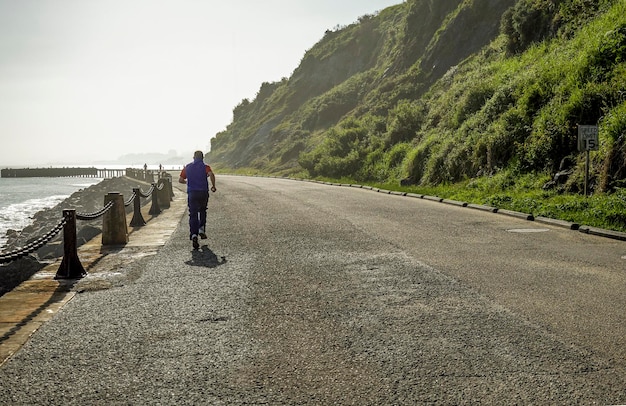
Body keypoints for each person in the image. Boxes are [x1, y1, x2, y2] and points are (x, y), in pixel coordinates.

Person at [179, 151, 216, 249]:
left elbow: (180, 180)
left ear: (193, 157)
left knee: (193, 214)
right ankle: (201, 229)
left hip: (192, 193)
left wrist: (188, 182)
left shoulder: (187, 167)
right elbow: (211, 174)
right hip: (203, 192)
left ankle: (194, 234)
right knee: (203, 210)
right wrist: (213, 186)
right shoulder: (205, 167)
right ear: (202, 157)